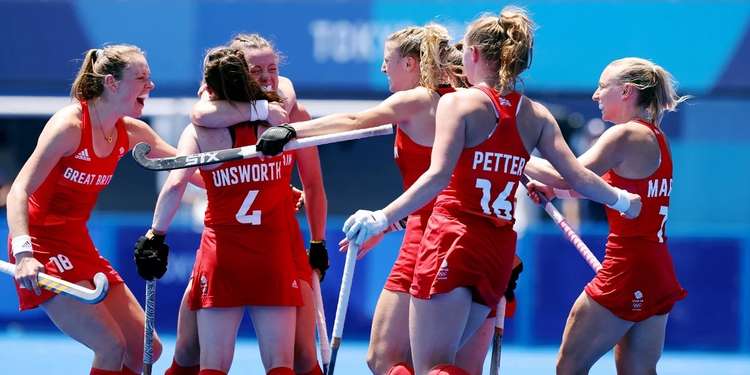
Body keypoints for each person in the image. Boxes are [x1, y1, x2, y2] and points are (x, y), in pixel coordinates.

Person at [306, 7, 642, 374]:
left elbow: (437, 177)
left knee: (431, 366)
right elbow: (575, 176)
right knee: (449, 365)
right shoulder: (536, 115)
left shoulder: (458, 103)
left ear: (476, 55)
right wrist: (622, 199)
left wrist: (381, 217)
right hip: (498, 249)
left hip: (453, 239)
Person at [256, 23, 529, 375]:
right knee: (452, 366)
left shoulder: (418, 100)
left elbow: (355, 119)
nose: (383, 68)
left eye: (388, 60)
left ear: (411, 64)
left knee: (385, 358)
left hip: (435, 237)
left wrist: (290, 131)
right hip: (487, 241)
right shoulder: (474, 103)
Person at [136, 46, 322, 375]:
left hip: (222, 257)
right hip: (271, 255)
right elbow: (282, 98)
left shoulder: (199, 131)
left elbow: (176, 185)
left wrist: (156, 235)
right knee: (281, 363)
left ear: (211, 88)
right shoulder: (280, 126)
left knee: (213, 364)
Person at [6, 44, 183, 375]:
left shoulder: (132, 133)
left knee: (147, 348)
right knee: (111, 347)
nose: (151, 85)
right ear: (112, 83)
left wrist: (260, 184)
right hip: (40, 244)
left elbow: (189, 168)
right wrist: (24, 253)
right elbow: (20, 190)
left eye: (150, 77)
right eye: (141, 77)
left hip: (77, 242)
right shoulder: (69, 126)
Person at [524, 57, 688, 374]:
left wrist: (516, 154)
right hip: (655, 269)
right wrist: (555, 193)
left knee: (569, 367)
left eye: (602, 87)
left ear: (626, 91)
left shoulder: (624, 135)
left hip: (627, 270)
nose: (595, 96)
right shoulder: (656, 138)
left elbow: (567, 175)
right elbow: (589, 187)